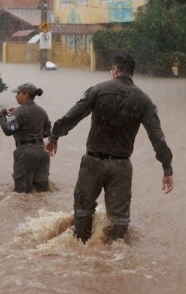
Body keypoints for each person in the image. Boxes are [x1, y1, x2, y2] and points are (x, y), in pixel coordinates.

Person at [45, 53, 174, 243]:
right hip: (121, 167)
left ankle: (80, 249)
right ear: (133, 72)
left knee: (82, 212)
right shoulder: (144, 100)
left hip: (92, 163)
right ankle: (113, 259)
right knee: (119, 220)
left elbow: (73, 115)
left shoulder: (98, 90)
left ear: (114, 70)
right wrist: (167, 168)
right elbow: (158, 139)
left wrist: (54, 136)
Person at [0, 82, 51, 193]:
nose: (15, 96)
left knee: (22, 193)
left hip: (25, 154)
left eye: (18, 93)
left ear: (25, 94)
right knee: (41, 192)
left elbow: (8, 130)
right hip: (43, 152)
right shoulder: (42, 111)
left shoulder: (20, 111)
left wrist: (2, 115)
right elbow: (47, 133)